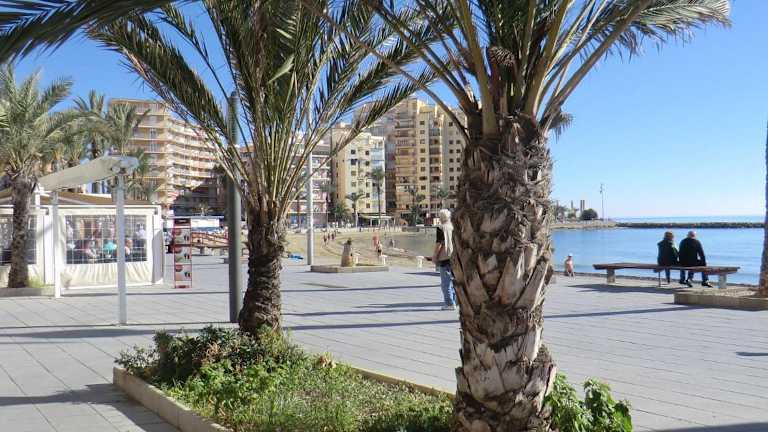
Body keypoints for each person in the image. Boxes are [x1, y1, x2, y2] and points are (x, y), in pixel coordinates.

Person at [433, 209, 456, 310]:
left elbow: (439, 243)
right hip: (454, 256)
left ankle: (449, 304)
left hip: (444, 256)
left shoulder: (440, 228)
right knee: (453, 281)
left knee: (445, 283)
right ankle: (454, 301)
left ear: (440, 217)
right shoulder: (453, 227)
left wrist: (434, 256)